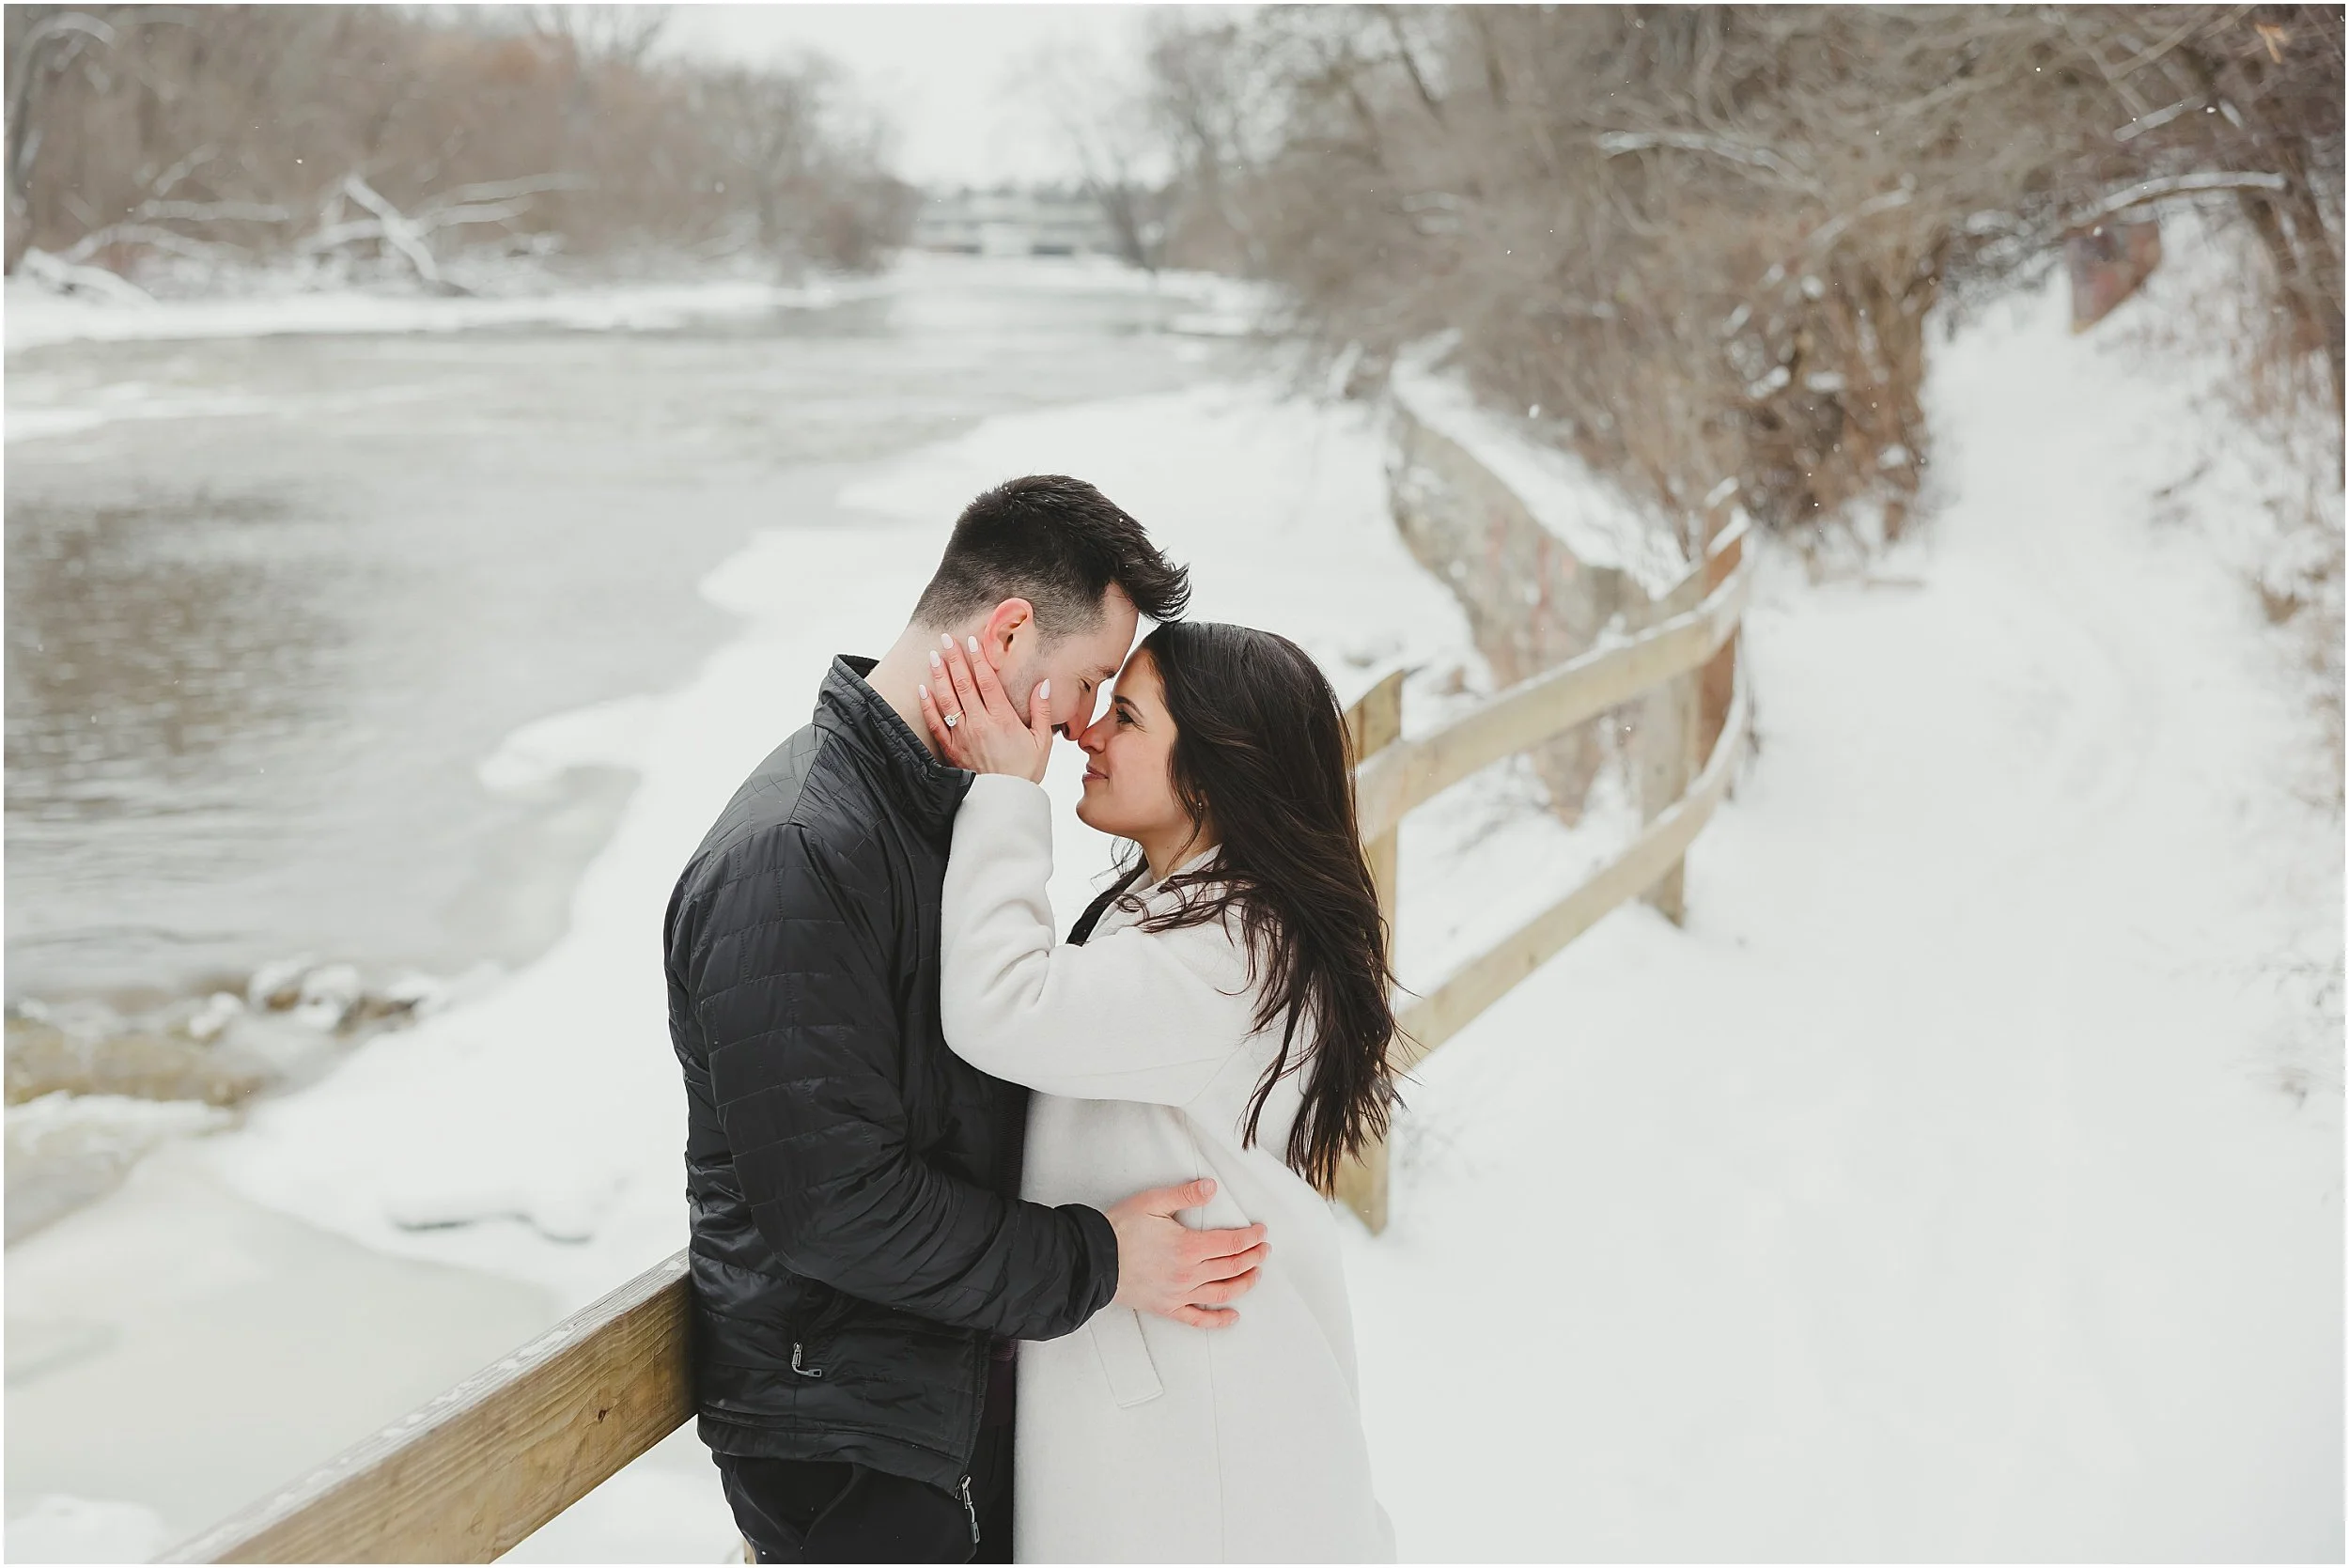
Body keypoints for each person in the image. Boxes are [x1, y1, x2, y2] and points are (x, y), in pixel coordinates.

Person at [664, 476, 1273, 1564]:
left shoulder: (935, 812)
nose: (1082, 723)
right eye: (1087, 681)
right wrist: (1096, 1259)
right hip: (852, 1444)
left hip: (939, 1396)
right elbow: (835, 1209)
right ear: (1007, 634)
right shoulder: (796, 855)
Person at [918, 620, 1400, 1562]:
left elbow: (1003, 1005)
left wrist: (1005, 793)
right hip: (1187, 1408)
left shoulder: (1235, 953)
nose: (1089, 731)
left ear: (1211, 774)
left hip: (1205, 1446)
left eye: (1128, 716)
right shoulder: (1188, 913)